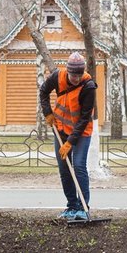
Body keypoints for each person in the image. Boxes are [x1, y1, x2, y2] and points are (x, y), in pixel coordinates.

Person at [39, 52, 97, 221]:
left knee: (78, 166)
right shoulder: (57, 76)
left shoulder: (88, 86)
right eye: (73, 75)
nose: (76, 79)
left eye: (79, 75)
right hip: (61, 129)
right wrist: (48, 113)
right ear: (68, 71)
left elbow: (85, 117)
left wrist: (70, 142)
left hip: (81, 132)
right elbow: (43, 91)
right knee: (64, 168)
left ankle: (83, 207)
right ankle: (71, 206)